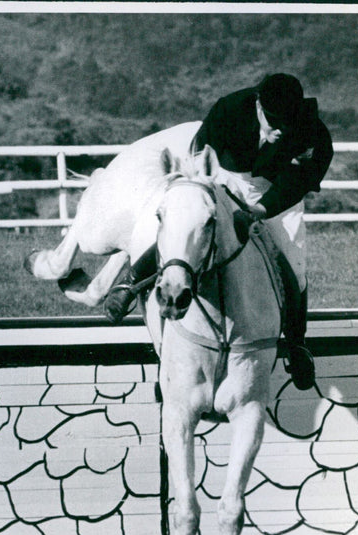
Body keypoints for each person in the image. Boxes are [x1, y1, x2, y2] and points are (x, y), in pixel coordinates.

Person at [104, 73, 334, 390]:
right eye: (274, 121)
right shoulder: (230, 109)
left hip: (275, 194)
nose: (281, 130)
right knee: (190, 234)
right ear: (257, 105)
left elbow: (297, 181)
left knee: (294, 261)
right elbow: (201, 154)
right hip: (224, 179)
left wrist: (260, 211)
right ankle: (129, 284)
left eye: (287, 122)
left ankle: (297, 345)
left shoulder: (313, 131)